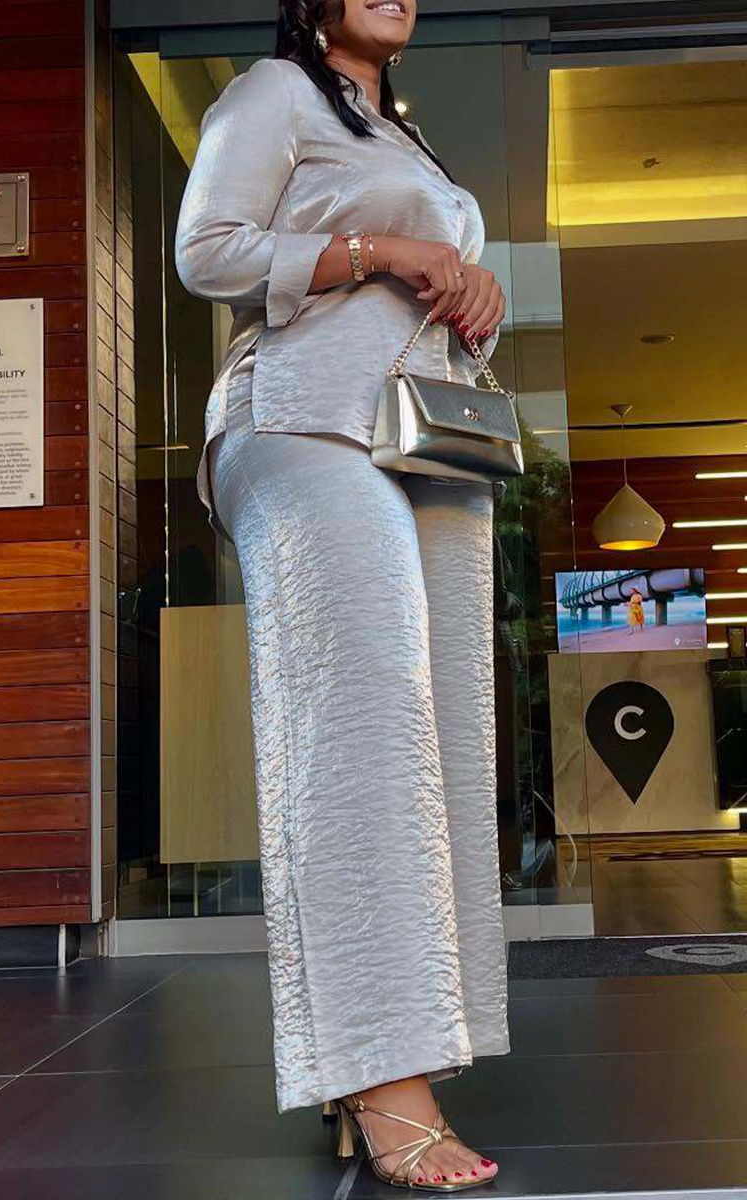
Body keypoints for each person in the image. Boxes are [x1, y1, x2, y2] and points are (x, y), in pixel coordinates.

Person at [174, 0, 510, 1189]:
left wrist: (472, 292)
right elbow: (207, 251)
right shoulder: (272, 93)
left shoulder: (400, 133)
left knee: (442, 739)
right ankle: (382, 1080)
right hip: (302, 418)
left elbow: (422, 283)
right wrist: (382, 252)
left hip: (422, 437)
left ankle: (400, 1044)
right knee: (361, 726)